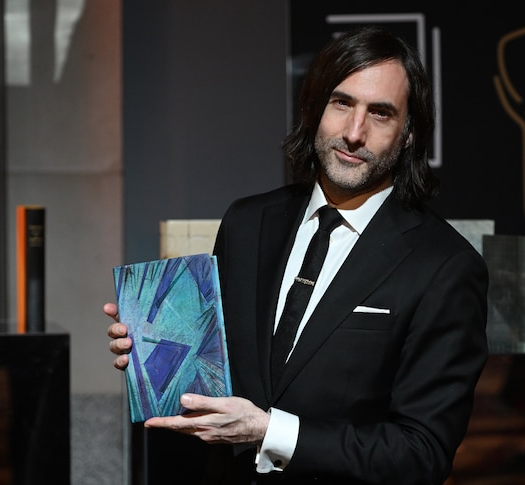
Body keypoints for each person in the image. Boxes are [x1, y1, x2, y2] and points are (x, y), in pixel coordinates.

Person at [106, 25, 489, 485]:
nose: (354, 132)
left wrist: (271, 432)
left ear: (408, 134)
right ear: (314, 108)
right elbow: (218, 374)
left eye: (381, 114)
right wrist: (157, 353)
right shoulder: (249, 222)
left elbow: (421, 453)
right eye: (342, 103)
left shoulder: (444, 265)